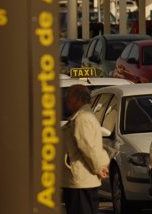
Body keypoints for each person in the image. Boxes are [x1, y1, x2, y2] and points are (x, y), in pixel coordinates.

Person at [62, 84, 110, 214]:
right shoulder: (85, 116)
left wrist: (98, 167)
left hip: (81, 180)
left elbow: (87, 147)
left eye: (68, 97)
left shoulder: (82, 118)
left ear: (78, 99)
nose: (66, 101)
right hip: (82, 180)